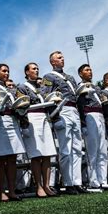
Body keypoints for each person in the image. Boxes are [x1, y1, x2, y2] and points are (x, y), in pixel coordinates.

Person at [42, 51, 84, 194]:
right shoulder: (49, 77)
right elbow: (46, 96)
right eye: (59, 58)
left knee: (77, 149)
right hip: (62, 110)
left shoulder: (70, 78)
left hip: (74, 110)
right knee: (66, 149)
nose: (62, 59)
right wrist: (55, 117)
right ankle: (68, 182)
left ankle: (77, 182)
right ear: (52, 62)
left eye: (63, 57)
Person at [17, 63, 57, 197]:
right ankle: (38, 186)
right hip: (32, 118)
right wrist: (25, 124)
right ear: (27, 72)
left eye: (37, 68)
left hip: (44, 118)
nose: (36, 70)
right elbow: (21, 107)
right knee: (36, 155)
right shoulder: (22, 87)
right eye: (33, 69)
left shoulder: (43, 87)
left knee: (47, 154)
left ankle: (46, 185)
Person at [0, 63, 26, 201]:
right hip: (0, 121)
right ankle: (0, 191)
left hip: (13, 121)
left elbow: (21, 101)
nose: (6, 73)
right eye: (4, 71)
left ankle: (12, 191)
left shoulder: (12, 89)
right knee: (0, 160)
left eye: (8, 71)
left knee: (12, 159)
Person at [76, 64, 108, 189]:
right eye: (86, 70)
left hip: (100, 115)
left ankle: (103, 179)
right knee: (92, 150)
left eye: (90, 70)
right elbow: (80, 105)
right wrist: (83, 122)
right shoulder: (80, 87)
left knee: (102, 150)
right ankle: (93, 180)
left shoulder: (96, 87)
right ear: (80, 74)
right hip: (89, 115)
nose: (90, 72)